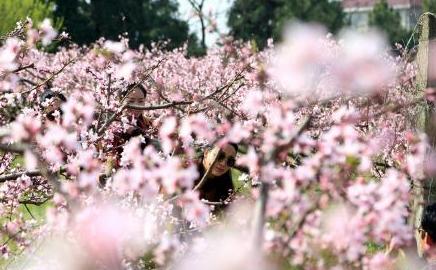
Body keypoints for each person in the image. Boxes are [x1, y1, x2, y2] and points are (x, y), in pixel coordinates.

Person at [193, 143, 238, 209]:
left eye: (230, 161)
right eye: (219, 156)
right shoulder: (183, 173)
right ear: (206, 153)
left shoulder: (227, 191)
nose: (223, 163)